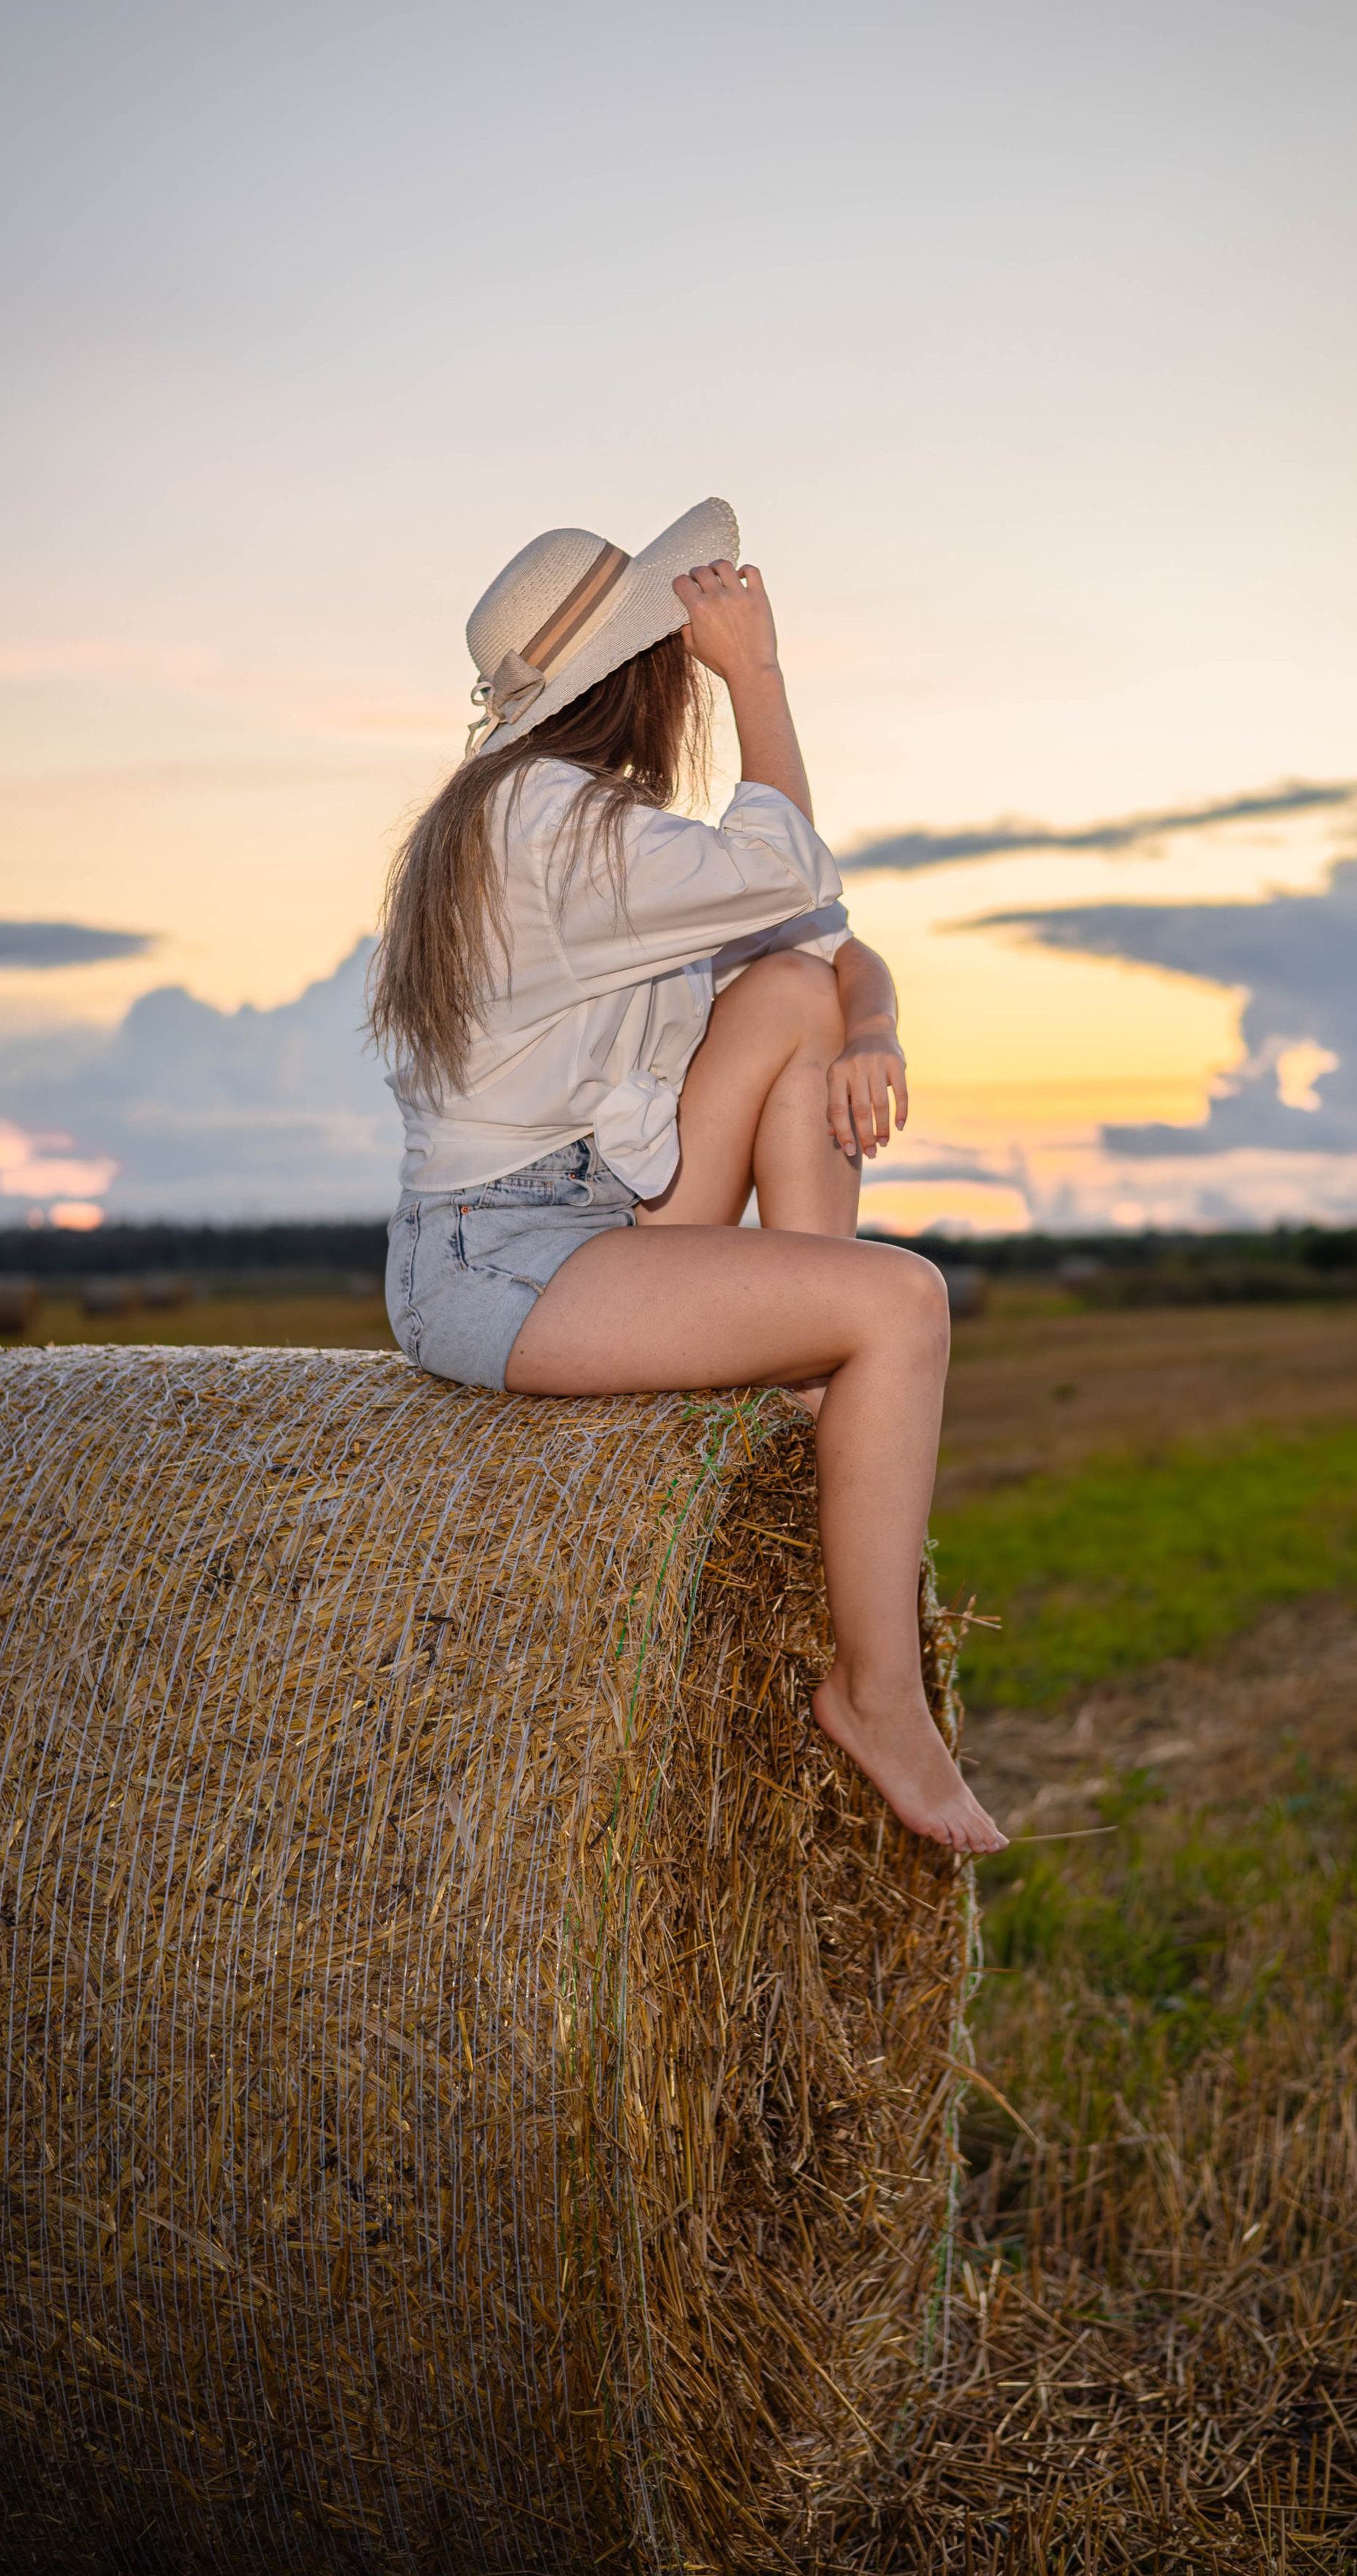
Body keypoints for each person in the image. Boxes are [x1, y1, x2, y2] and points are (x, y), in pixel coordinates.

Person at [371, 498, 1005, 1855]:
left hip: (592, 1214)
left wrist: (873, 1031)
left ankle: (802, 1363)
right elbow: (789, 854)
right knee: (905, 1305)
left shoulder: (573, 819)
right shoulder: (548, 827)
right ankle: (876, 1696)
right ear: (647, 676)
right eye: (676, 649)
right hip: (503, 1260)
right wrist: (760, 676)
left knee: (786, 993)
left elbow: (824, 942)